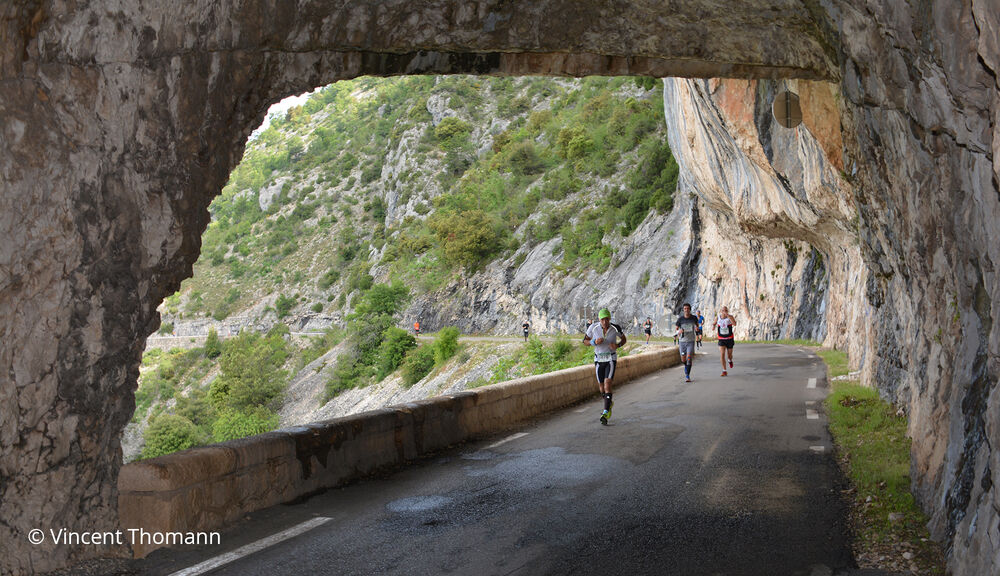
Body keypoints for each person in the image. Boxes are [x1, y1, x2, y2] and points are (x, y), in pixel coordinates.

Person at [583, 308, 627, 425]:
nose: (605, 322)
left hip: (611, 359)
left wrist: (617, 345)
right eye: (602, 319)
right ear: (599, 319)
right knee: (601, 388)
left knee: (608, 384)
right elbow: (585, 341)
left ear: (609, 319)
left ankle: (605, 412)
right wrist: (593, 342)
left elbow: (624, 339)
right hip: (598, 359)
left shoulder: (615, 328)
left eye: (607, 319)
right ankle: (609, 402)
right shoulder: (593, 327)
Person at [674, 303, 699, 382]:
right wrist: (679, 331)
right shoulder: (680, 319)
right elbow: (676, 330)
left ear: (690, 309)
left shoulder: (694, 318)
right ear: (683, 310)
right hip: (682, 342)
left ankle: (687, 375)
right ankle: (686, 366)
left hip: (690, 341)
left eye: (688, 308)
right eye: (685, 308)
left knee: (689, 357)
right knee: (683, 359)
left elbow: (697, 326)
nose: (686, 310)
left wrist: (697, 329)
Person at [716, 306, 737, 376]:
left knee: (729, 355)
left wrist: (729, 316)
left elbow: (734, 324)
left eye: (726, 310)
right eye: (723, 310)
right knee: (722, 354)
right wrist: (713, 326)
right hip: (721, 339)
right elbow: (714, 323)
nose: (724, 312)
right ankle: (724, 370)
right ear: (720, 311)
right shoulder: (718, 317)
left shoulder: (730, 317)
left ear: (727, 311)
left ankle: (730, 360)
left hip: (729, 339)